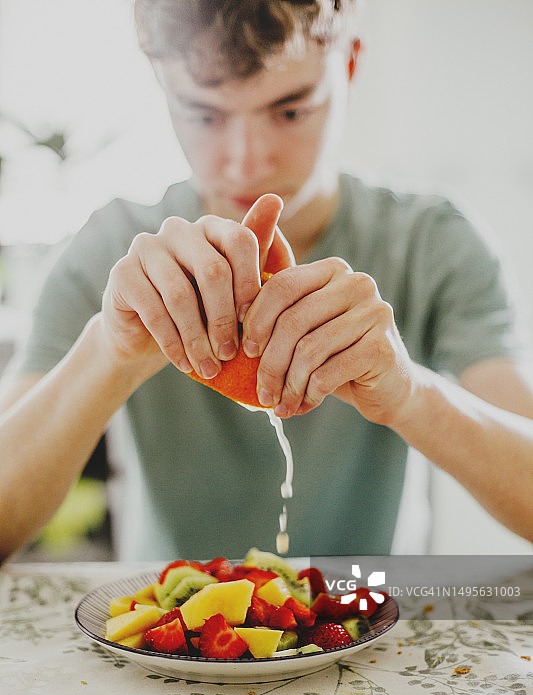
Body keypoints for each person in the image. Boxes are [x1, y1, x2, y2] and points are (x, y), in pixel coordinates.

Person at [1, 0, 533, 562]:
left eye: (291, 111)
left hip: (372, 625)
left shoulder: (431, 243)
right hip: (163, 635)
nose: (246, 162)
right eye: (205, 115)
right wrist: (110, 350)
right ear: (159, 81)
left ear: (349, 64)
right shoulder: (112, 252)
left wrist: (408, 394)